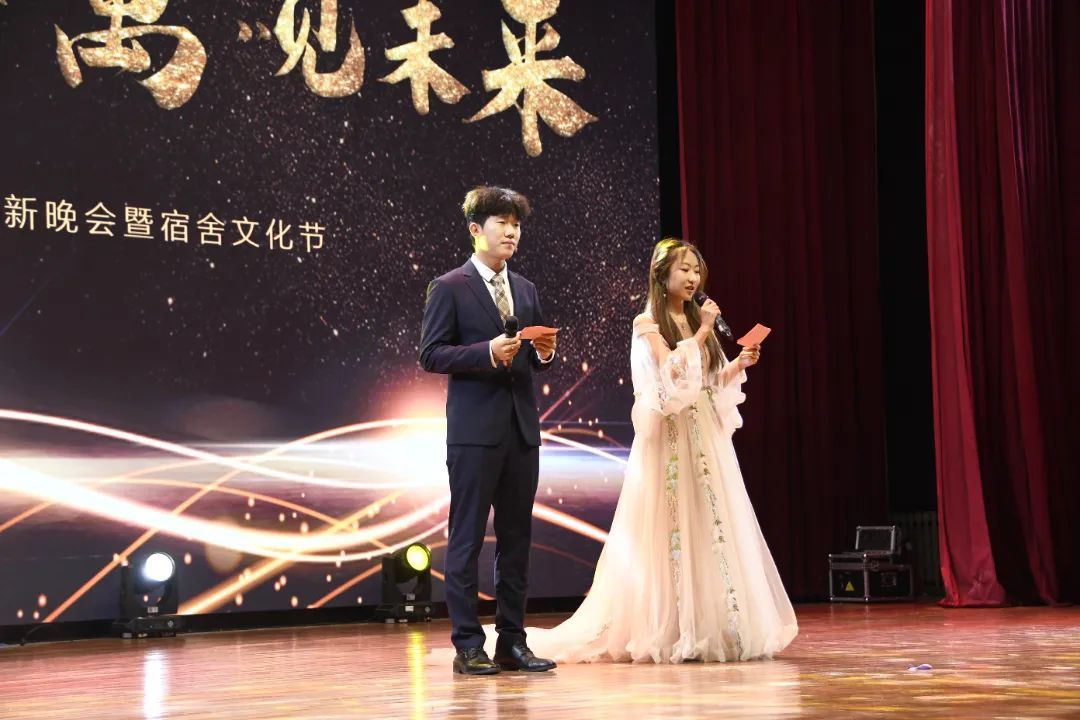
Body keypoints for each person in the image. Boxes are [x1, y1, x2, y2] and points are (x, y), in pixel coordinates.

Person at [520, 237, 798, 663]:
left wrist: (739, 363)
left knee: (708, 522)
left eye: (696, 270)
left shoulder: (695, 319)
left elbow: (706, 384)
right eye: (684, 269)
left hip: (703, 437)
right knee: (671, 522)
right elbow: (670, 373)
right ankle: (671, 625)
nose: (692, 278)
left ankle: (711, 623)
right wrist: (703, 331)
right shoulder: (648, 322)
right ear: (661, 273)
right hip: (670, 437)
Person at [419, 186, 558, 675]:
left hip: (522, 431)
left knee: (516, 542)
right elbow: (431, 354)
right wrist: (486, 352)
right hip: (474, 434)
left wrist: (543, 355)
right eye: (502, 223)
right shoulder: (449, 286)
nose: (512, 232)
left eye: (516, 225)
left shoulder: (526, 289)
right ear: (476, 229)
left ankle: (512, 642)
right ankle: (468, 645)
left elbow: (532, 356)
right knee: (467, 540)